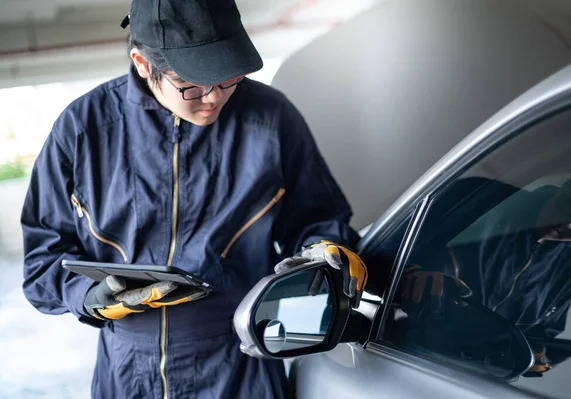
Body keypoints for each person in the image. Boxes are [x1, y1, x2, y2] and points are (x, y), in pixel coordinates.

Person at [21, 1, 367, 398]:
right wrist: (86, 297)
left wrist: (327, 251)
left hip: (240, 365)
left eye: (228, 78)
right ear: (142, 63)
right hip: (128, 374)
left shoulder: (271, 119)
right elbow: (41, 263)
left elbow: (317, 220)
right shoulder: (82, 130)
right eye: (193, 84)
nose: (214, 98)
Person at [398, 167, 571, 377]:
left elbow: (541, 335)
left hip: (476, 379)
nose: (568, 223)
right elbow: (382, 252)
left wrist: (542, 357)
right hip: (404, 354)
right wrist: (410, 276)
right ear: (570, 184)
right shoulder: (479, 197)